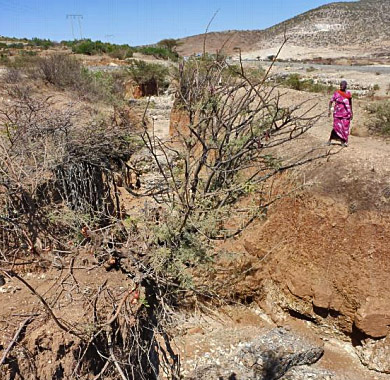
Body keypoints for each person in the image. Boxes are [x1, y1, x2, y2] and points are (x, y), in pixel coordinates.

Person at [327, 80, 353, 147]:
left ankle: (343, 141)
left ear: (345, 86)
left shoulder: (348, 94)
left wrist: (351, 112)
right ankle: (331, 140)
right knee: (336, 127)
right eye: (340, 85)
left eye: (342, 85)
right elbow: (331, 101)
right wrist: (329, 110)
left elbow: (350, 103)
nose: (341, 86)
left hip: (346, 114)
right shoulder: (337, 93)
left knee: (345, 128)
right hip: (337, 113)